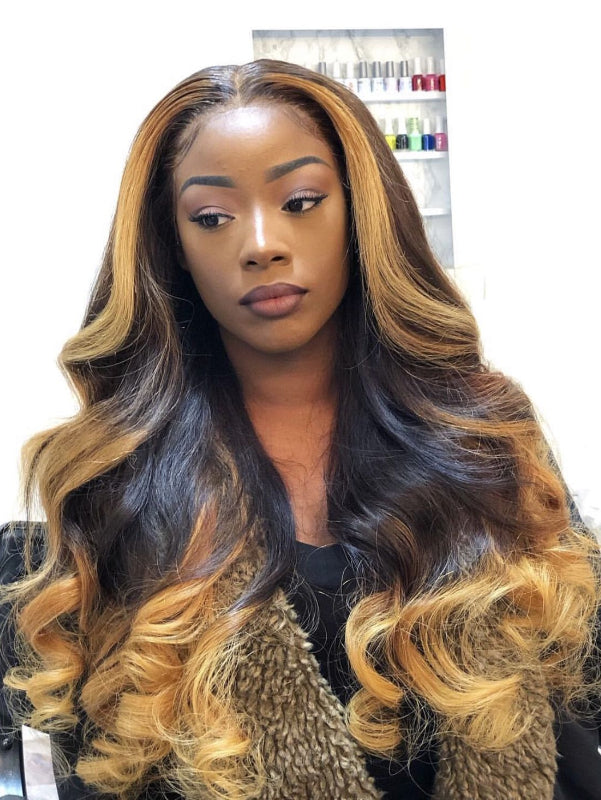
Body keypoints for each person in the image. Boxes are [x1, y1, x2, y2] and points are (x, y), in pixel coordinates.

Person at [0, 59, 600, 800]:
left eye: (301, 201)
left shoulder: (481, 438)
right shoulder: (114, 483)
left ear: (359, 213)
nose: (261, 243)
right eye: (211, 217)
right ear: (172, 244)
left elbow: (570, 705)